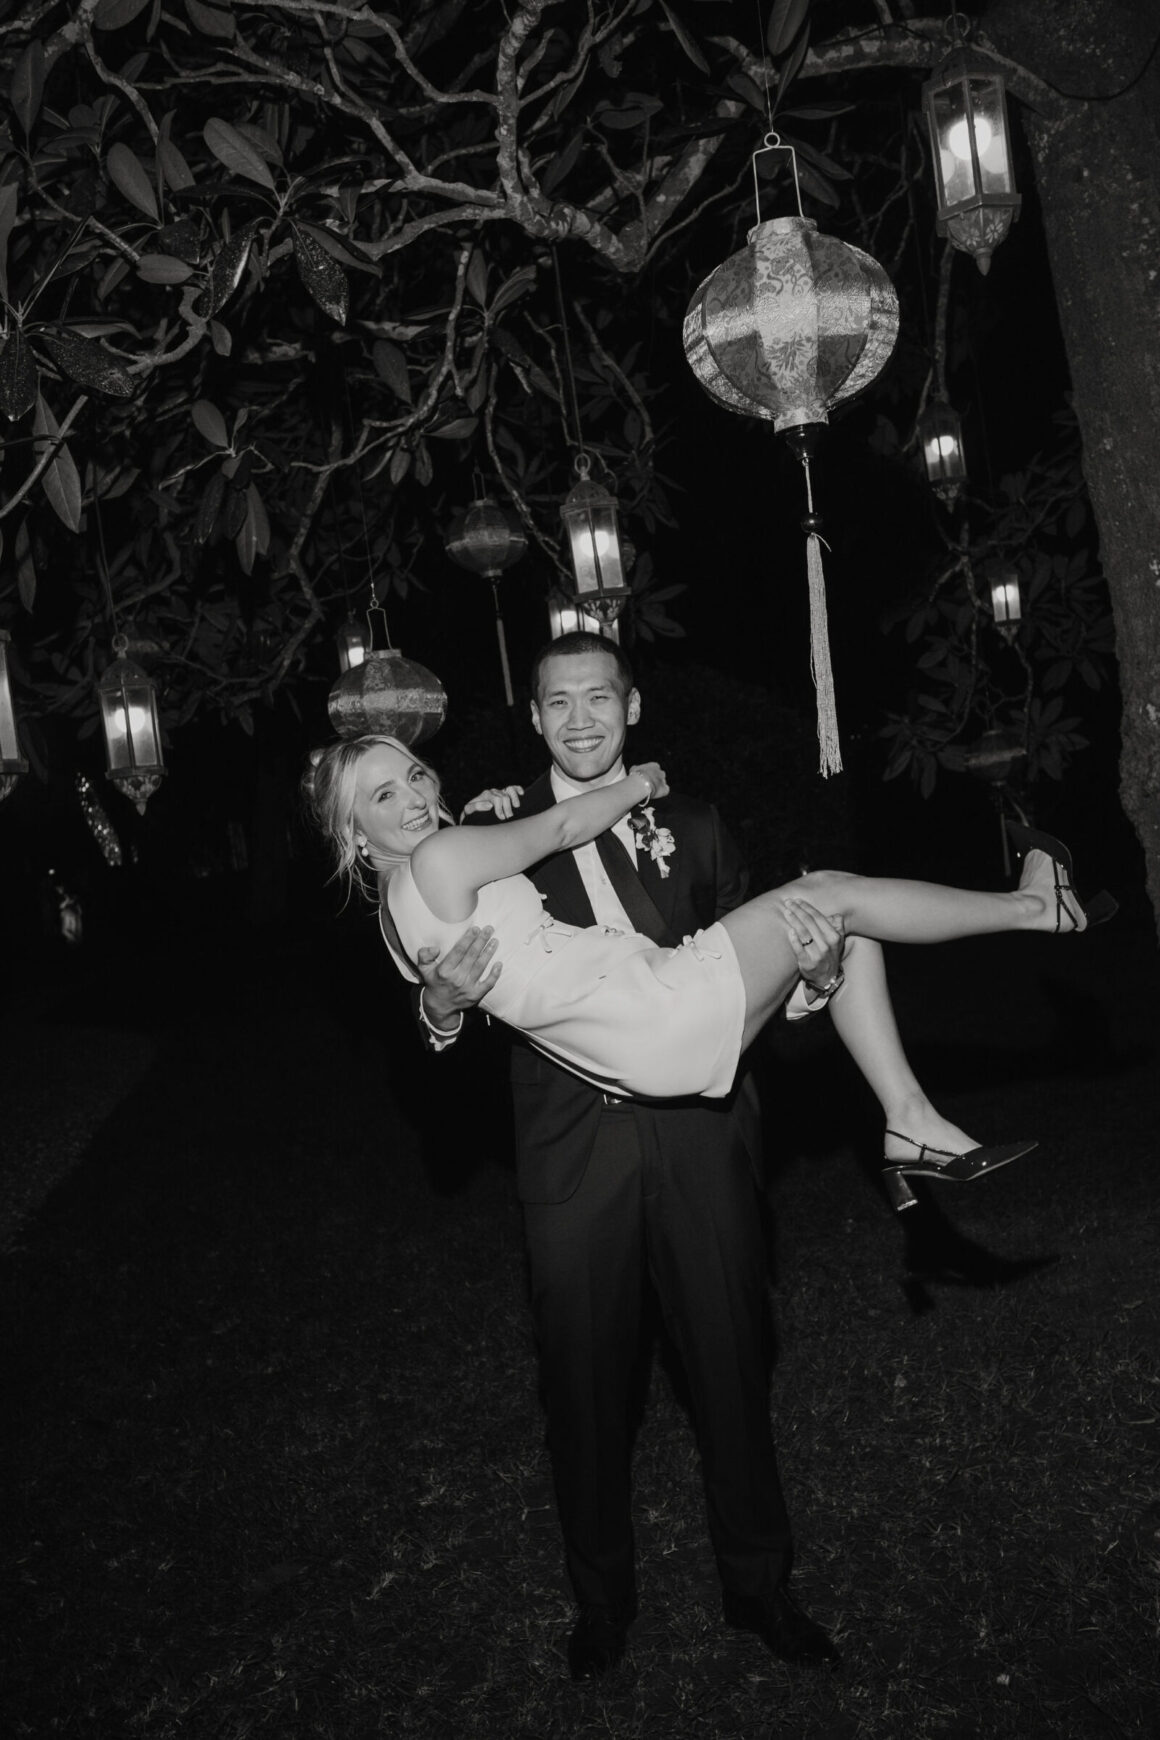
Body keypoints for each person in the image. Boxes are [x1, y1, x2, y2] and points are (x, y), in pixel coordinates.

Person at [303, 638, 1103, 1676]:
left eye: (601, 697)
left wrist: (811, 977)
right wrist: (438, 1005)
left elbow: (781, 984)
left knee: (729, 1361)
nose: (581, 718)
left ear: (632, 705)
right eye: (558, 702)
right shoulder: (486, 827)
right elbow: (430, 1000)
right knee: (584, 1384)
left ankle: (759, 1588)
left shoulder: (694, 826)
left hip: (696, 1125)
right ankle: (600, 1605)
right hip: (573, 1148)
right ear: (533, 718)